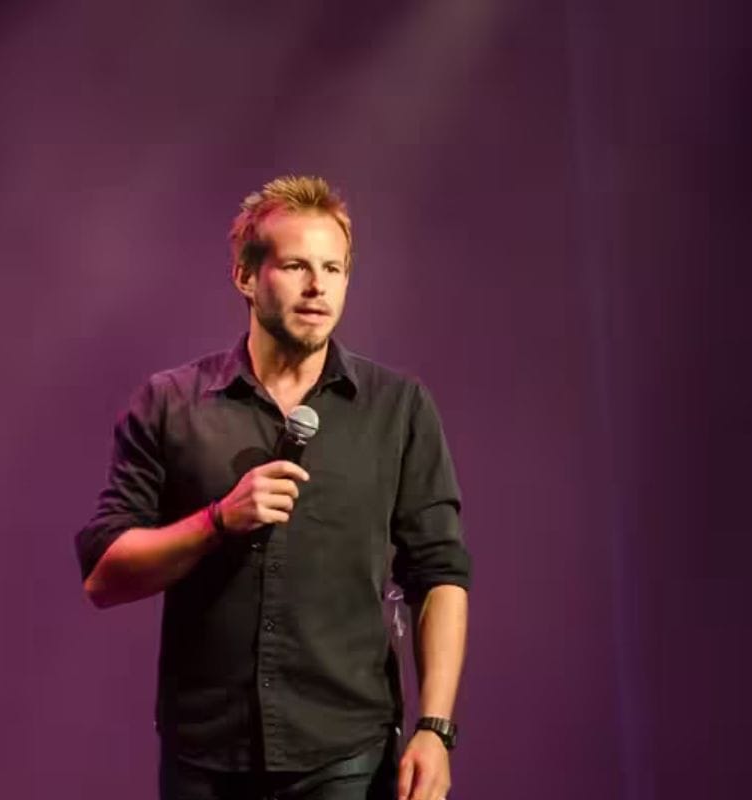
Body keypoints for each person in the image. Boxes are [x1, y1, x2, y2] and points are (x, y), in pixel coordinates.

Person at [75, 175, 470, 800]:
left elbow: (440, 575)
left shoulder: (398, 409)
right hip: (206, 758)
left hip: (345, 755)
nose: (318, 287)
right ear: (244, 277)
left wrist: (435, 729)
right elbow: (104, 577)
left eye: (333, 269)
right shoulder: (172, 404)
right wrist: (216, 521)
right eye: (295, 266)